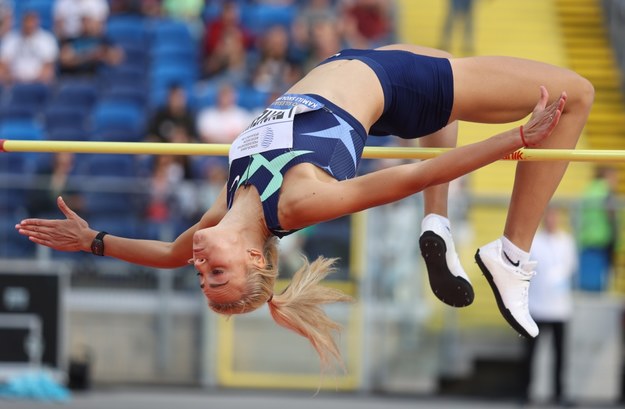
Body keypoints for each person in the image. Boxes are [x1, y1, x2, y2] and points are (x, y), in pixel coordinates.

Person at [15, 44, 593, 371]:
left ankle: (436, 226)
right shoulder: (298, 202)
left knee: (445, 81)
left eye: (202, 280)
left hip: (361, 73)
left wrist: (94, 240)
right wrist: (516, 137)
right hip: (395, 85)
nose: (199, 267)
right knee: (575, 96)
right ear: (252, 257)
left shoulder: (229, 202)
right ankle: (512, 254)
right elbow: (415, 173)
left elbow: (168, 253)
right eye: (218, 274)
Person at [521, 206, 577, 405]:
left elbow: (571, 267)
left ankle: (559, 393)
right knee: (530, 354)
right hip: (536, 306)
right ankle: (525, 392)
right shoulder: (535, 242)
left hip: (560, 308)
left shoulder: (567, 241)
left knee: (560, 355)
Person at [576, 166, 619, 292]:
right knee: (599, 281)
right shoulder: (606, 190)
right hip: (601, 238)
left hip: (586, 237)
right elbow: (611, 214)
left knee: (587, 278)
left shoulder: (589, 189)